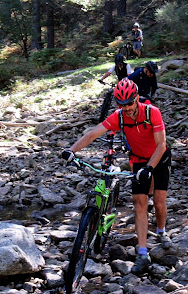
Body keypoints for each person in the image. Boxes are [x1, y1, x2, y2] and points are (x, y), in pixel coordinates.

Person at [61, 78, 172, 275]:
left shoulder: (151, 112)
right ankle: (143, 254)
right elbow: (92, 134)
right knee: (139, 202)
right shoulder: (118, 116)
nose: (126, 108)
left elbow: (161, 145)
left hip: (159, 158)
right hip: (138, 159)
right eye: (121, 104)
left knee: (159, 202)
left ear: (136, 98)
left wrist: (149, 168)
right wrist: (71, 150)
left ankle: (162, 231)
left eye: (129, 103)